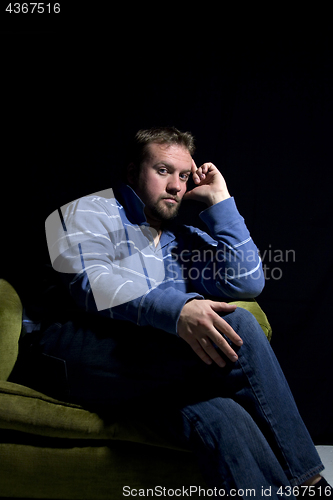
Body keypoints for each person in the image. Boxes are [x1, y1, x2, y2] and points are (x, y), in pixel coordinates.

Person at [11, 127, 331, 498]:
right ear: (132, 172)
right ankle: (312, 484)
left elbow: (248, 282)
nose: (177, 186)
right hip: (70, 350)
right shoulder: (87, 212)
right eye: (163, 170)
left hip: (145, 365)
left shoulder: (183, 240)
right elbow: (91, 283)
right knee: (237, 324)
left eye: (183, 175)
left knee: (221, 416)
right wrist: (179, 311)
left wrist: (220, 200)